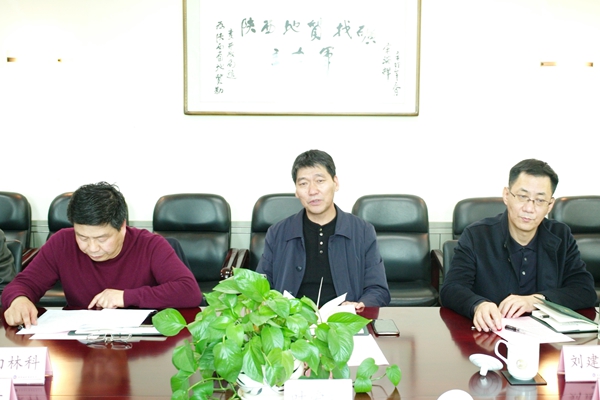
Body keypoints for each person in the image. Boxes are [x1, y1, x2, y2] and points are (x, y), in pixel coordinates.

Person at [1, 182, 202, 328]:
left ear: (122, 226)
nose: (92, 248)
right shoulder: (62, 242)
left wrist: (126, 297)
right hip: (81, 343)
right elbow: (22, 284)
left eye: (101, 238)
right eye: (82, 237)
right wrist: (19, 299)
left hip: (140, 341)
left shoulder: (150, 245)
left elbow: (189, 291)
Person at [440, 159, 596, 332]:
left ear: (550, 205)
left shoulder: (560, 235)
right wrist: (477, 305)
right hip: (490, 336)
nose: (529, 208)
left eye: (540, 200)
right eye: (522, 196)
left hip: (546, 339)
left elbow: (584, 290)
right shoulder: (477, 235)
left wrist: (537, 300)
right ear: (506, 195)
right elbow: (451, 288)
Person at [256, 150, 390, 310]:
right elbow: (262, 285)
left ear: (335, 183)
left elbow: (378, 289)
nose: (312, 191)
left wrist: (360, 304)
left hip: (342, 320)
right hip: (292, 320)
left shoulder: (362, 231)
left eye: (320, 181)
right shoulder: (278, 232)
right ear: (296, 191)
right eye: (303, 183)